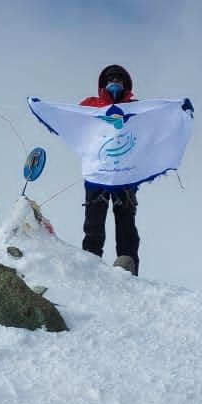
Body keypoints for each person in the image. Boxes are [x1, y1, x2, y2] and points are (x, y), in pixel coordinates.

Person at [79, 64, 140, 275]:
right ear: (103, 84)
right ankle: (90, 262)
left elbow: (157, 121)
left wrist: (177, 109)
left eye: (119, 80)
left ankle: (128, 265)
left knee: (126, 218)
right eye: (111, 80)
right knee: (94, 218)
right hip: (99, 171)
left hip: (125, 172)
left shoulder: (136, 108)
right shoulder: (91, 105)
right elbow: (72, 120)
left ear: (126, 84)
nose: (115, 83)